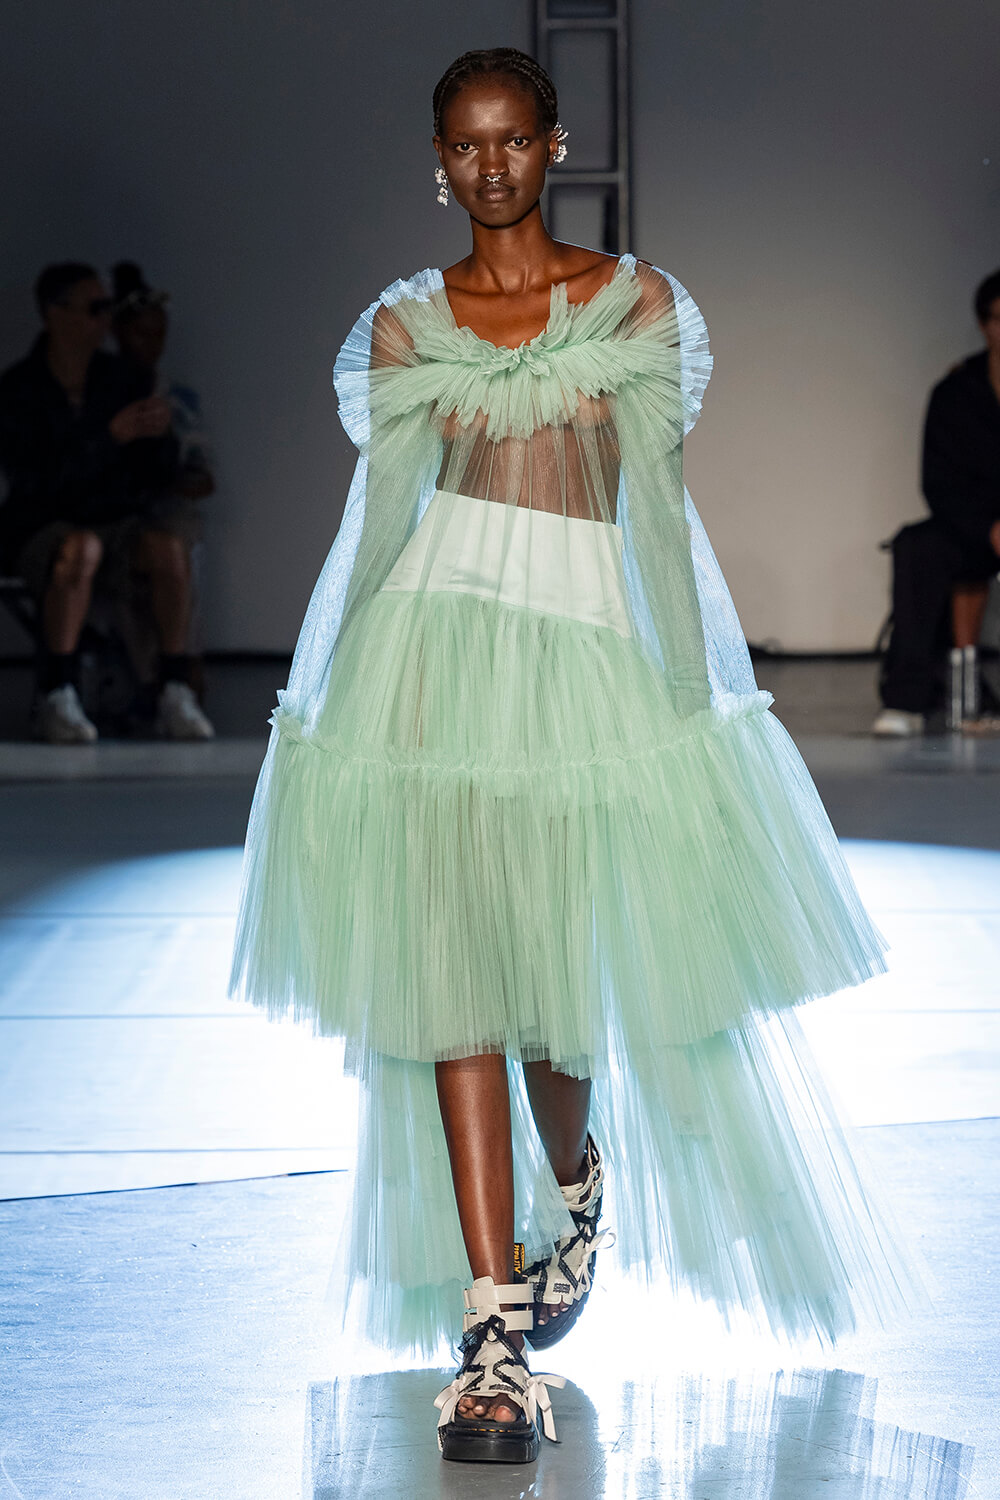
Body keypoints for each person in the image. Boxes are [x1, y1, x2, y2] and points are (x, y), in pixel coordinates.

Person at [229, 49, 915, 1466]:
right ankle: (489, 1332)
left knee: (556, 999)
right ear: (438, 159)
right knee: (455, 980)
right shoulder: (408, 330)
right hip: (439, 642)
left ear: (553, 146)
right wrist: (342, 692)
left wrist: (676, 696)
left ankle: (572, 1174)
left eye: (512, 141)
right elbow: (385, 520)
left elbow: (652, 510)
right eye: (463, 146)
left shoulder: (639, 307)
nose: (489, 167)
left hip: (585, 644)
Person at [0, 262, 214, 742]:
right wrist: (109, 438)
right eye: (95, 308)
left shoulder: (122, 380)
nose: (104, 320)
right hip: (44, 527)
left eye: (106, 309)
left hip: (114, 522)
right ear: (55, 313)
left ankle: (173, 688)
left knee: (167, 548)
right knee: (81, 550)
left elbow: (154, 472)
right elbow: (34, 482)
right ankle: (58, 691)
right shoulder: (18, 390)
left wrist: (158, 436)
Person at [874, 269, 1000, 736]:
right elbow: (939, 484)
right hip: (972, 528)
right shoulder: (956, 393)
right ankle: (907, 698)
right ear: (985, 324)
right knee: (917, 546)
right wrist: (987, 526)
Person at [111, 261, 216, 714]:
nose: (152, 345)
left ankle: (177, 668)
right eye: (142, 333)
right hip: (113, 510)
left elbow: (200, 468)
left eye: (159, 334)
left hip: (164, 508)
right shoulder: (101, 388)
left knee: (181, 549)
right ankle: (152, 678)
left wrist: (184, 477)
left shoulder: (176, 397)